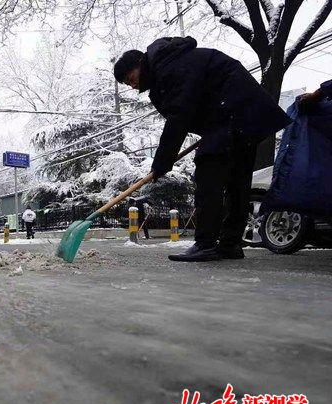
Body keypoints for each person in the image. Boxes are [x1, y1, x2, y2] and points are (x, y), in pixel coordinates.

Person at [114, 36, 291, 261]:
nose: (133, 85)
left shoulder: (171, 67)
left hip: (231, 115)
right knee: (237, 182)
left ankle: (206, 243)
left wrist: (162, 161)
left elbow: (179, 115)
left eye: (131, 79)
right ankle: (230, 244)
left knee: (209, 175)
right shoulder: (174, 61)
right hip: (246, 117)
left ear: (140, 63)